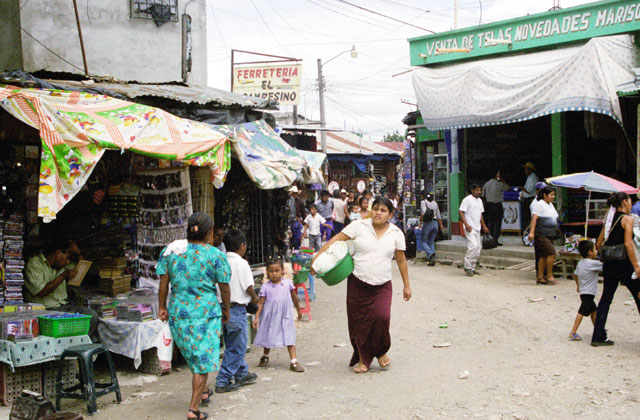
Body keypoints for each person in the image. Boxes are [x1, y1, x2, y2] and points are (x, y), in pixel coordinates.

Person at [312, 197, 411, 374]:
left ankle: (380, 351)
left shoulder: (396, 233)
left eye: (383, 210)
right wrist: (317, 258)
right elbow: (336, 239)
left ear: (390, 214)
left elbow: (401, 260)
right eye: (376, 209)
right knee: (358, 323)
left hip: (382, 284)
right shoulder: (359, 226)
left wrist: (407, 285)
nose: (378, 213)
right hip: (358, 282)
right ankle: (362, 359)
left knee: (382, 317)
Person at [157, 212, 231, 420]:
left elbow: (164, 282)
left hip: (179, 313)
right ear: (209, 233)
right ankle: (194, 409)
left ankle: (203, 391)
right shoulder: (216, 255)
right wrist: (226, 309)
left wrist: (161, 307)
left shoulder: (170, 252)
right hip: (206, 313)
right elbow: (224, 287)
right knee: (203, 361)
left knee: (194, 356)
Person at [591, 192, 640, 347]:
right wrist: (636, 266)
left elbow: (599, 243)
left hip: (610, 264)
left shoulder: (609, 219)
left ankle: (598, 335)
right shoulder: (628, 219)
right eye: (630, 200)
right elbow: (628, 244)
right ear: (625, 202)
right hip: (624, 264)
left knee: (606, 298)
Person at [25, 239, 99, 339]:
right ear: (58, 253)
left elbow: (83, 268)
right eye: (67, 257)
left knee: (92, 316)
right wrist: (63, 276)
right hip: (46, 310)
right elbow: (41, 291)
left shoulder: (63, 265)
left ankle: (78, 346)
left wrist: (78, 253)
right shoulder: (34, 264)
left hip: (64, 307)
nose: (68, 262)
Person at [215, 229, 259, 393]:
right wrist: (256, 299)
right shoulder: (241, 263)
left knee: (232, 343)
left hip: (223, 308)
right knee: (238, 346)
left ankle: (241, 372)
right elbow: (248, 287)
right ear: (242, 245)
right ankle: (223, 379)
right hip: (237, 309)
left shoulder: (221, 260)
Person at [252, 258, 305, 372]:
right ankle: (265, 356)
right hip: (270, 316)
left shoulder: (287, 284)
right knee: (269, 334)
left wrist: (298, 309)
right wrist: (257, 316)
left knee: (289, 335)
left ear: (283, 271)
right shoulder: (265, 287)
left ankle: (294, 361)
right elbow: (261, 302)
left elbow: (293, 296)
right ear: (267, 272)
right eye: (271, 271)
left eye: (277, 271)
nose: (274, 274)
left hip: (285, 314)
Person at [569, 240, 602, 341]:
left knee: (593, 310)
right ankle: (573, 331)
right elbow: (605, 267)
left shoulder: (580, 263)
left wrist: (578, 285)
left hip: (584, 291)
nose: (596, 251)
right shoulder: (593, 263)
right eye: (595, 249)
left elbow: (575, 274)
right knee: (582, 311)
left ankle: (597, 329)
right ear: (590, 252)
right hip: (589, 292)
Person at [528, 186, 559, 285]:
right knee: (551, 253)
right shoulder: (539, 204)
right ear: (545, 195)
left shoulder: (550, 205)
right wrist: (531, 232)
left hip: (550, 234)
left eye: (554, 195)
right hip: (541, 233)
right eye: (551, 195)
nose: (553, 197)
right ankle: (549, 275)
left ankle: (540, 277)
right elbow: (534, 219)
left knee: (543, 255)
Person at [459, 184, 489, 277]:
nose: (479, 192)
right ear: (472, 190)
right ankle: (467, 265)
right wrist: (466, 224)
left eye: (480, 190)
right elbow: (461, 211)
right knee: (473, 246)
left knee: (478, 247)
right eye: (477, 190)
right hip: (470, 227)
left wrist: (484, 226)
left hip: (477, 227)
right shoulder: (467, 200)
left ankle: (472, 267)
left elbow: (480, 214)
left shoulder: (480, 201)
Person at [483, 171, 509, 245]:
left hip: (488, 205)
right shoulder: (499, 184)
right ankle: (495, 240)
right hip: (497, 205)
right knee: (497, 223)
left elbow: (484, 195)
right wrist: (502, 180)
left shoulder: (486, 184)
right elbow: (507, 187)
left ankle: (489, 239)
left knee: (490, 222)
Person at [420, 192, 445, 266]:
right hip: (435, 224)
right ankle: (432, 261)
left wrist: (420, 221)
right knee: (431, 242)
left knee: (423, 242)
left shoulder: (423, 202)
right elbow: (439, 215)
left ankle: (431, 254)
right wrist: (441, 225)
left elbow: (423, 212)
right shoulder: (435, 203)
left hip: (427, 223)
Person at [521, 162, 539, 230]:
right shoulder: (529, 177)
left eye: (526, 169)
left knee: (529, 217)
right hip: (527, 199)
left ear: (530, 170)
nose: (525, 171)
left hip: (530, 199)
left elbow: (529, 190)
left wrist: (522, 188)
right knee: (526, 217)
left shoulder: (533, 178)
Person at [287, 186, 307, 251]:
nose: (294, 195)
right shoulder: (288, 201)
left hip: (297, 221)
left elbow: (303, 212)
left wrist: (305, 222)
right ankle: (290, 249)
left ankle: (296, 250)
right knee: (289, 238)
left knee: (298, 237)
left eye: (295, 193)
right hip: (288, 221)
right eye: (293, 193)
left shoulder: (300, 202)